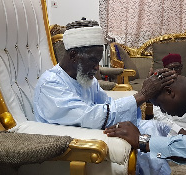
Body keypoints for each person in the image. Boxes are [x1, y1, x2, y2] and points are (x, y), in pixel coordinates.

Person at [33, 19, 176, 175]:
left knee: (153, 128)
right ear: (73, 55)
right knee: (142, 143)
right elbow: (90, 117)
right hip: (72, 146)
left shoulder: (86, 79)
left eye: (98, 61)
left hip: (93, 131)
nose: (97, 68)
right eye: (93, 60)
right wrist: (142, 95)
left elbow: (107, 103)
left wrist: (144, 96)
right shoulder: (51, 84)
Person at [152, 53, 186, 135]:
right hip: (169, 127)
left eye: (177, 67)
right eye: (171, 68)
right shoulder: (160, 87)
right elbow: (158, 115)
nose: (174, 71)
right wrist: (179, 130)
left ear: (181, 68)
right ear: (165, 70)